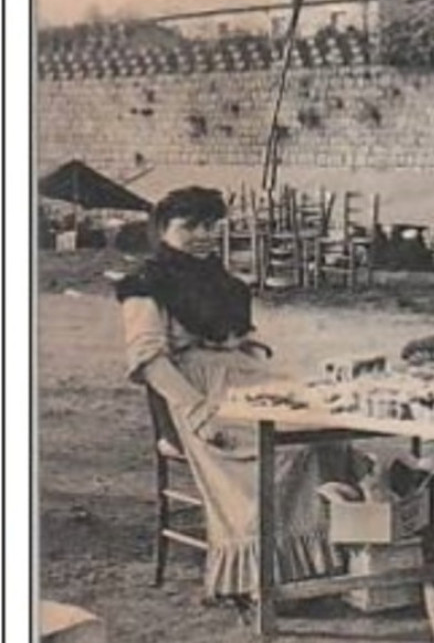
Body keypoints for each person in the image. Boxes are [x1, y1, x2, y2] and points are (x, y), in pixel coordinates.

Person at [115, 187, 354, 608]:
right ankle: (260, 577)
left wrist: (256, 356)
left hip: (243, 381)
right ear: (162, 229)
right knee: (285, 451)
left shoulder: (218, 279)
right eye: (189, 226)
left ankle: (322, 567)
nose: (203, 235)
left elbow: (242, 334)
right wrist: (199, 412)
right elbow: (150, 361)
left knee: (328, 432)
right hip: (194, 395)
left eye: (210, 225)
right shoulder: (145, 284)